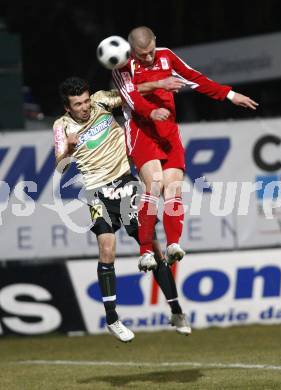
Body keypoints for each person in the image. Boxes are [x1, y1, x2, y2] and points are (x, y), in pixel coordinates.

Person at [53, 77, 191, 343]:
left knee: (152, 247)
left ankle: (175, 310)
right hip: (96, 191)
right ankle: (112, 318)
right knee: (107, 247)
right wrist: (68, 148)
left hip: (126, 183)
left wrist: (158, 83)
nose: (84, 107)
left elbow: (131, 92)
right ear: (67, 108)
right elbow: (60, 163)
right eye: (77, 104)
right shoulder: (61, 126)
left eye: (84, 100)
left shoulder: (102, 101)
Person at [112, 26, 259, 269]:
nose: (147, 58)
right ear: (132, 50)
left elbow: (195, 79)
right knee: (154, 183)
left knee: (173, 189)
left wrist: (230, 95)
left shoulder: (167, 56)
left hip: (167, 130)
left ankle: (173, 245)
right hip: (141, 130)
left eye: (150, 52)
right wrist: (152, 109)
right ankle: (145, 251)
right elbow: (130, 97)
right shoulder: (122, 66)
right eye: (142, 54)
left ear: (155, 42)